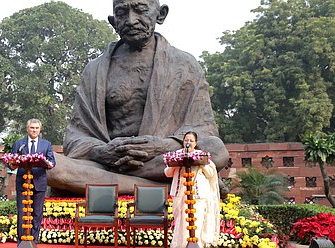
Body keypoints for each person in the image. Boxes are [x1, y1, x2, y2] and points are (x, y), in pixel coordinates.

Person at [47, 0, 229, 195]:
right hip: (108, 162)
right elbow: (77, 136)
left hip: (159, 160)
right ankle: (161, 188)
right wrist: (101, 151)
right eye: (122, 13)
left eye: (140, 10)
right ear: (113, 21)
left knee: (215, 150)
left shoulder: (185, 66)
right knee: (49, 165)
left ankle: (119, 185)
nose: (131, 20)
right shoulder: (94, 70)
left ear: (161, 14)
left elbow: (204, 128)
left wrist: (160, 145)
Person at [164, 131, 220, 248]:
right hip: (180, 193)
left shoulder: (201, 155)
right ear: (183, 142)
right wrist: (175, 164)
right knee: (181, 222)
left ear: (195, 143)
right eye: (186, 140)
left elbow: (211, 174)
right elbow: (168, 173)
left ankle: (196, 245)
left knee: (197, 221)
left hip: (197, 195)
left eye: (191, 141)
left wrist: (201, 163)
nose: (188, 142)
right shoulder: (177, 155)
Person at [11, 119, 56, 245]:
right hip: (23, 182)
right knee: (22, 211)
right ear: (27, 129)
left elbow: (52, 162)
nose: (34, 130)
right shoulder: (19, 144)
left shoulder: (46, 144)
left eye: (36, 128)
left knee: (37, 212)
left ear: (40, 130)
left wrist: (46, 163)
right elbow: (12, 162)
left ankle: (34, 241)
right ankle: (21, 242)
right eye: (32, 128)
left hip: (39, 182)